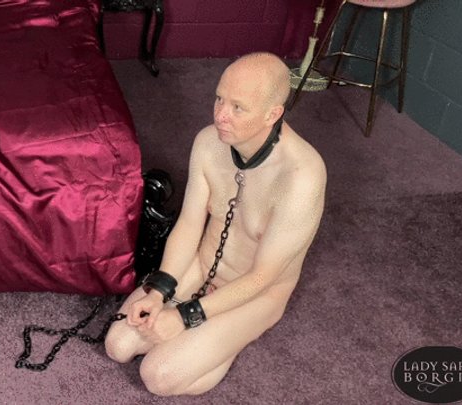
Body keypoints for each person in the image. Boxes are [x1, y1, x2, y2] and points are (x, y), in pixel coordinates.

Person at [104, 52, 327, 396]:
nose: (221, 115)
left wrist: (185, 316)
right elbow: (190, 224)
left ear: (273, 114)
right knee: (118, 346)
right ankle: (199, 340)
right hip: (203, 265)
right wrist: (161, 289)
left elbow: (263, 276)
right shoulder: (209, 142)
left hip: (257, 294)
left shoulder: (302, 177)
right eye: (219, 98)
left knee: (158, 376)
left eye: (238, 108)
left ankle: (226, 340)